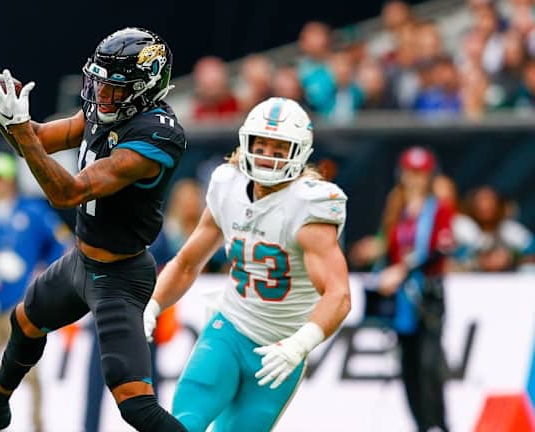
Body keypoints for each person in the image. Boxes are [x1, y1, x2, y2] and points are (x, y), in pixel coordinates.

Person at [0, 27, 188, 432]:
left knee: (134, 403)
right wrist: (4, 114)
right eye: (99, 82)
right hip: (82, 260)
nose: (101, 94)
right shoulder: (109, 109)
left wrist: (18, 128)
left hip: (120, 275)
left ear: (144, 89)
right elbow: (37, 141)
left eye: (113, 87)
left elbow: (68, 192)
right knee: (25, 321)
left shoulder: (156, 136)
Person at [144, 97, 352, 431]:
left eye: (279, 148)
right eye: (261, 145)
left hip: (279, 352)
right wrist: (153, 304)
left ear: (299, 152)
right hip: (228, 330)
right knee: (184, 423)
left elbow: (338, 295)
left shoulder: (309, 206)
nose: (267, 155)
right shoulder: (228, 185)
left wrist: (299, 345)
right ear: (246, 143)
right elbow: (186, 263)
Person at [0, 151, 72, 432]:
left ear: (12, 180)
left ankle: (38, 424)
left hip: (24, 303)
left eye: (3, 178)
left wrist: (45, 272)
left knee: (29, 370)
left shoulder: (33, 212)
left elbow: (61, 243)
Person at [366, 146, 454, 432]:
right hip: (402, 299)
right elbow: (389, 249)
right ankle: (421, 425)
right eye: (410, 172)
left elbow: (440, 248)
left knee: (430, 364)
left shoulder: (438, 207)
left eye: (420, 173)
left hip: (428, 296)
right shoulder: (396, 208)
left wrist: (403, 269)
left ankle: (440, 424)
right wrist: (379, 262)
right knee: (408, 365)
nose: (414, 179)